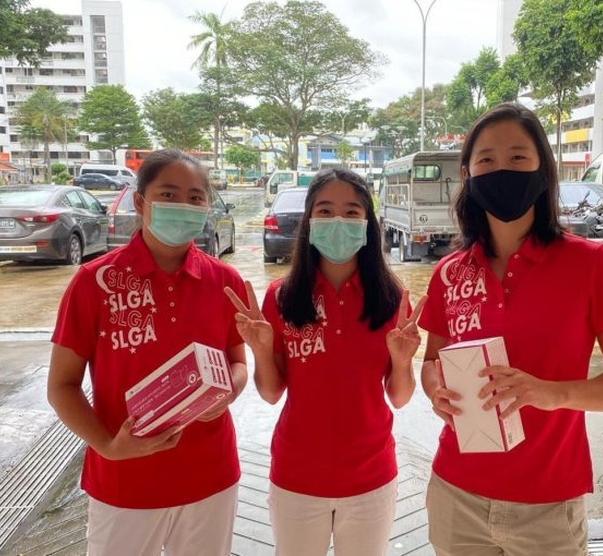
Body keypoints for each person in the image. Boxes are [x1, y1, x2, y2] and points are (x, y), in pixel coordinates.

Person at [418, 103, 603, 556]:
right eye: (486, 159)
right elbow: (432, 362)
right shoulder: (449, 272)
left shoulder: (590, 265)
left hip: (549, 504)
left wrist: (551, 393)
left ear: (543, 170)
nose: (501, 169)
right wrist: (436, 392)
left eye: (518, 157)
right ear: (467, 175)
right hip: (455, 492)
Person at [47, 149, 248, 556]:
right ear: (140, 202)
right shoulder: (95, 281)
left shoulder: (224, 280)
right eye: (169, 194)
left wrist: (231, 389)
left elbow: (238, 362)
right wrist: (107, 445)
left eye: (196, 197)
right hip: (124, 478)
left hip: (210, 474)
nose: (183, 206)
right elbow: (61, 387)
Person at [225, 168, 426, 556]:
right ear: (309, 221)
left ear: (369, 222)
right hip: (296, 476)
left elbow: (399, 398)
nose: (339, 221)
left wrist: (403, 362)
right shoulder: (282, 297)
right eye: (326, 210)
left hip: (371, 477)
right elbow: (270, 393)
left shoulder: (392, 296)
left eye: (352, 212)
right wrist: (260, 350)